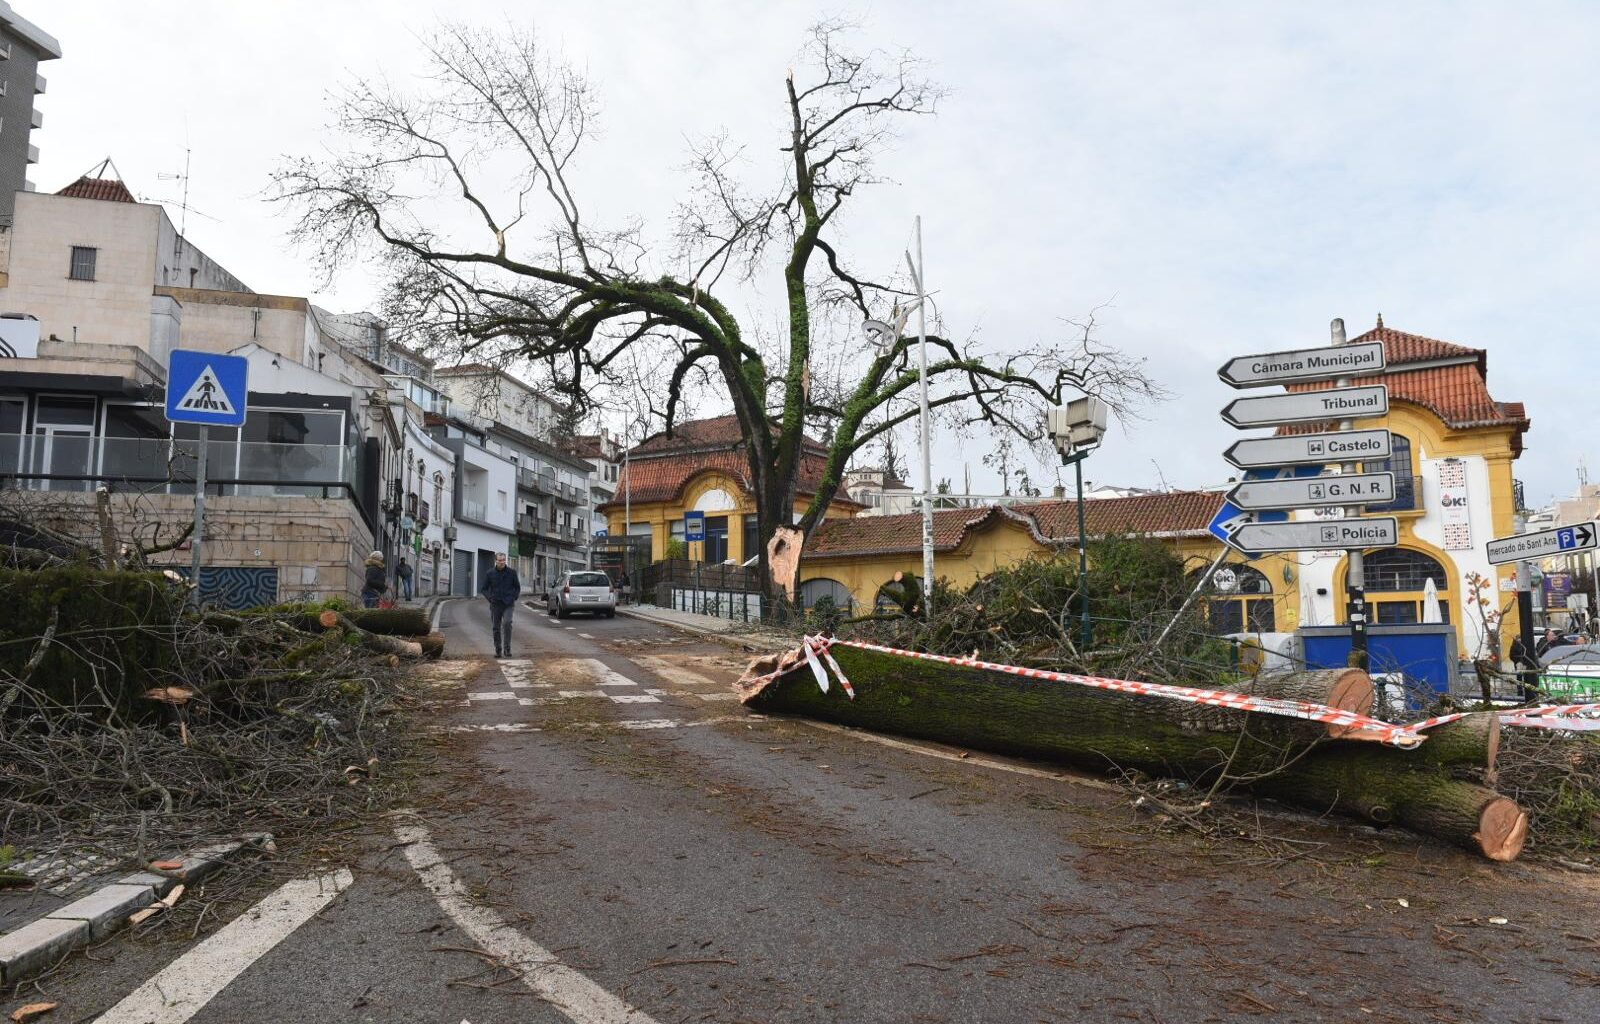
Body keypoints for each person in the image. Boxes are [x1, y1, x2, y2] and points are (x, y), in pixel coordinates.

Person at [480, 552, 522, 658]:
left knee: (507, 623)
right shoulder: (490, 573)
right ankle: (498, 650)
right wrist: (490, 598)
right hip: (495, 604)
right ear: (496, 561)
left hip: (508, 604)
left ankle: (507, 649)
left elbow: (517, 587)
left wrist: (514, 597)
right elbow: (484, 589)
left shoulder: (512, 573)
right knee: (496, 627)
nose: (502, 562)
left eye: (503, 560)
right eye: (499, 560)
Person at [1509, 633, 1541, 703]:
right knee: (1522, 678)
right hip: (1521, 664)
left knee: (1523, 678)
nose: (1519, 640)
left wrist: (1517, 661)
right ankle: (1522, 692)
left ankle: (1524, 691)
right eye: (1518, 638)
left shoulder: (1519, 645)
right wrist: (1518, 661)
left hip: (1522, 664)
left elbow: (1511, 656)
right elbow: (1512, 656)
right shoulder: (1518, 645)